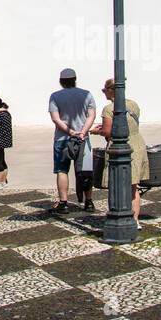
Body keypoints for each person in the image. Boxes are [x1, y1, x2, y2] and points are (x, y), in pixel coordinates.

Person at [91, 79, 150, 225]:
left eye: (104, 90)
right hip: (137, 143)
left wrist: (97, 131)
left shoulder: (109, 109)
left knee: (117, 182)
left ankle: (118, 218)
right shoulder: (133, 104)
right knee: (133, 186)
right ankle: (135, 221)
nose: (103, 92)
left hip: (120, 146)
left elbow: (107, 131)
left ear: (111, 90)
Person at [49, 68, 96, 214]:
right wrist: (83, 131)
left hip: (62, 139)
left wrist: (70, 131)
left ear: (61, 81)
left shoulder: (55, 96)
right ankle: (88, 202)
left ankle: (63, 203)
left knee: (62, 170)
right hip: (83, 139)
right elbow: (91, 115)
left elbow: (55, 118)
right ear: (75, 79)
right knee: (86, 171)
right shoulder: (86, 94)